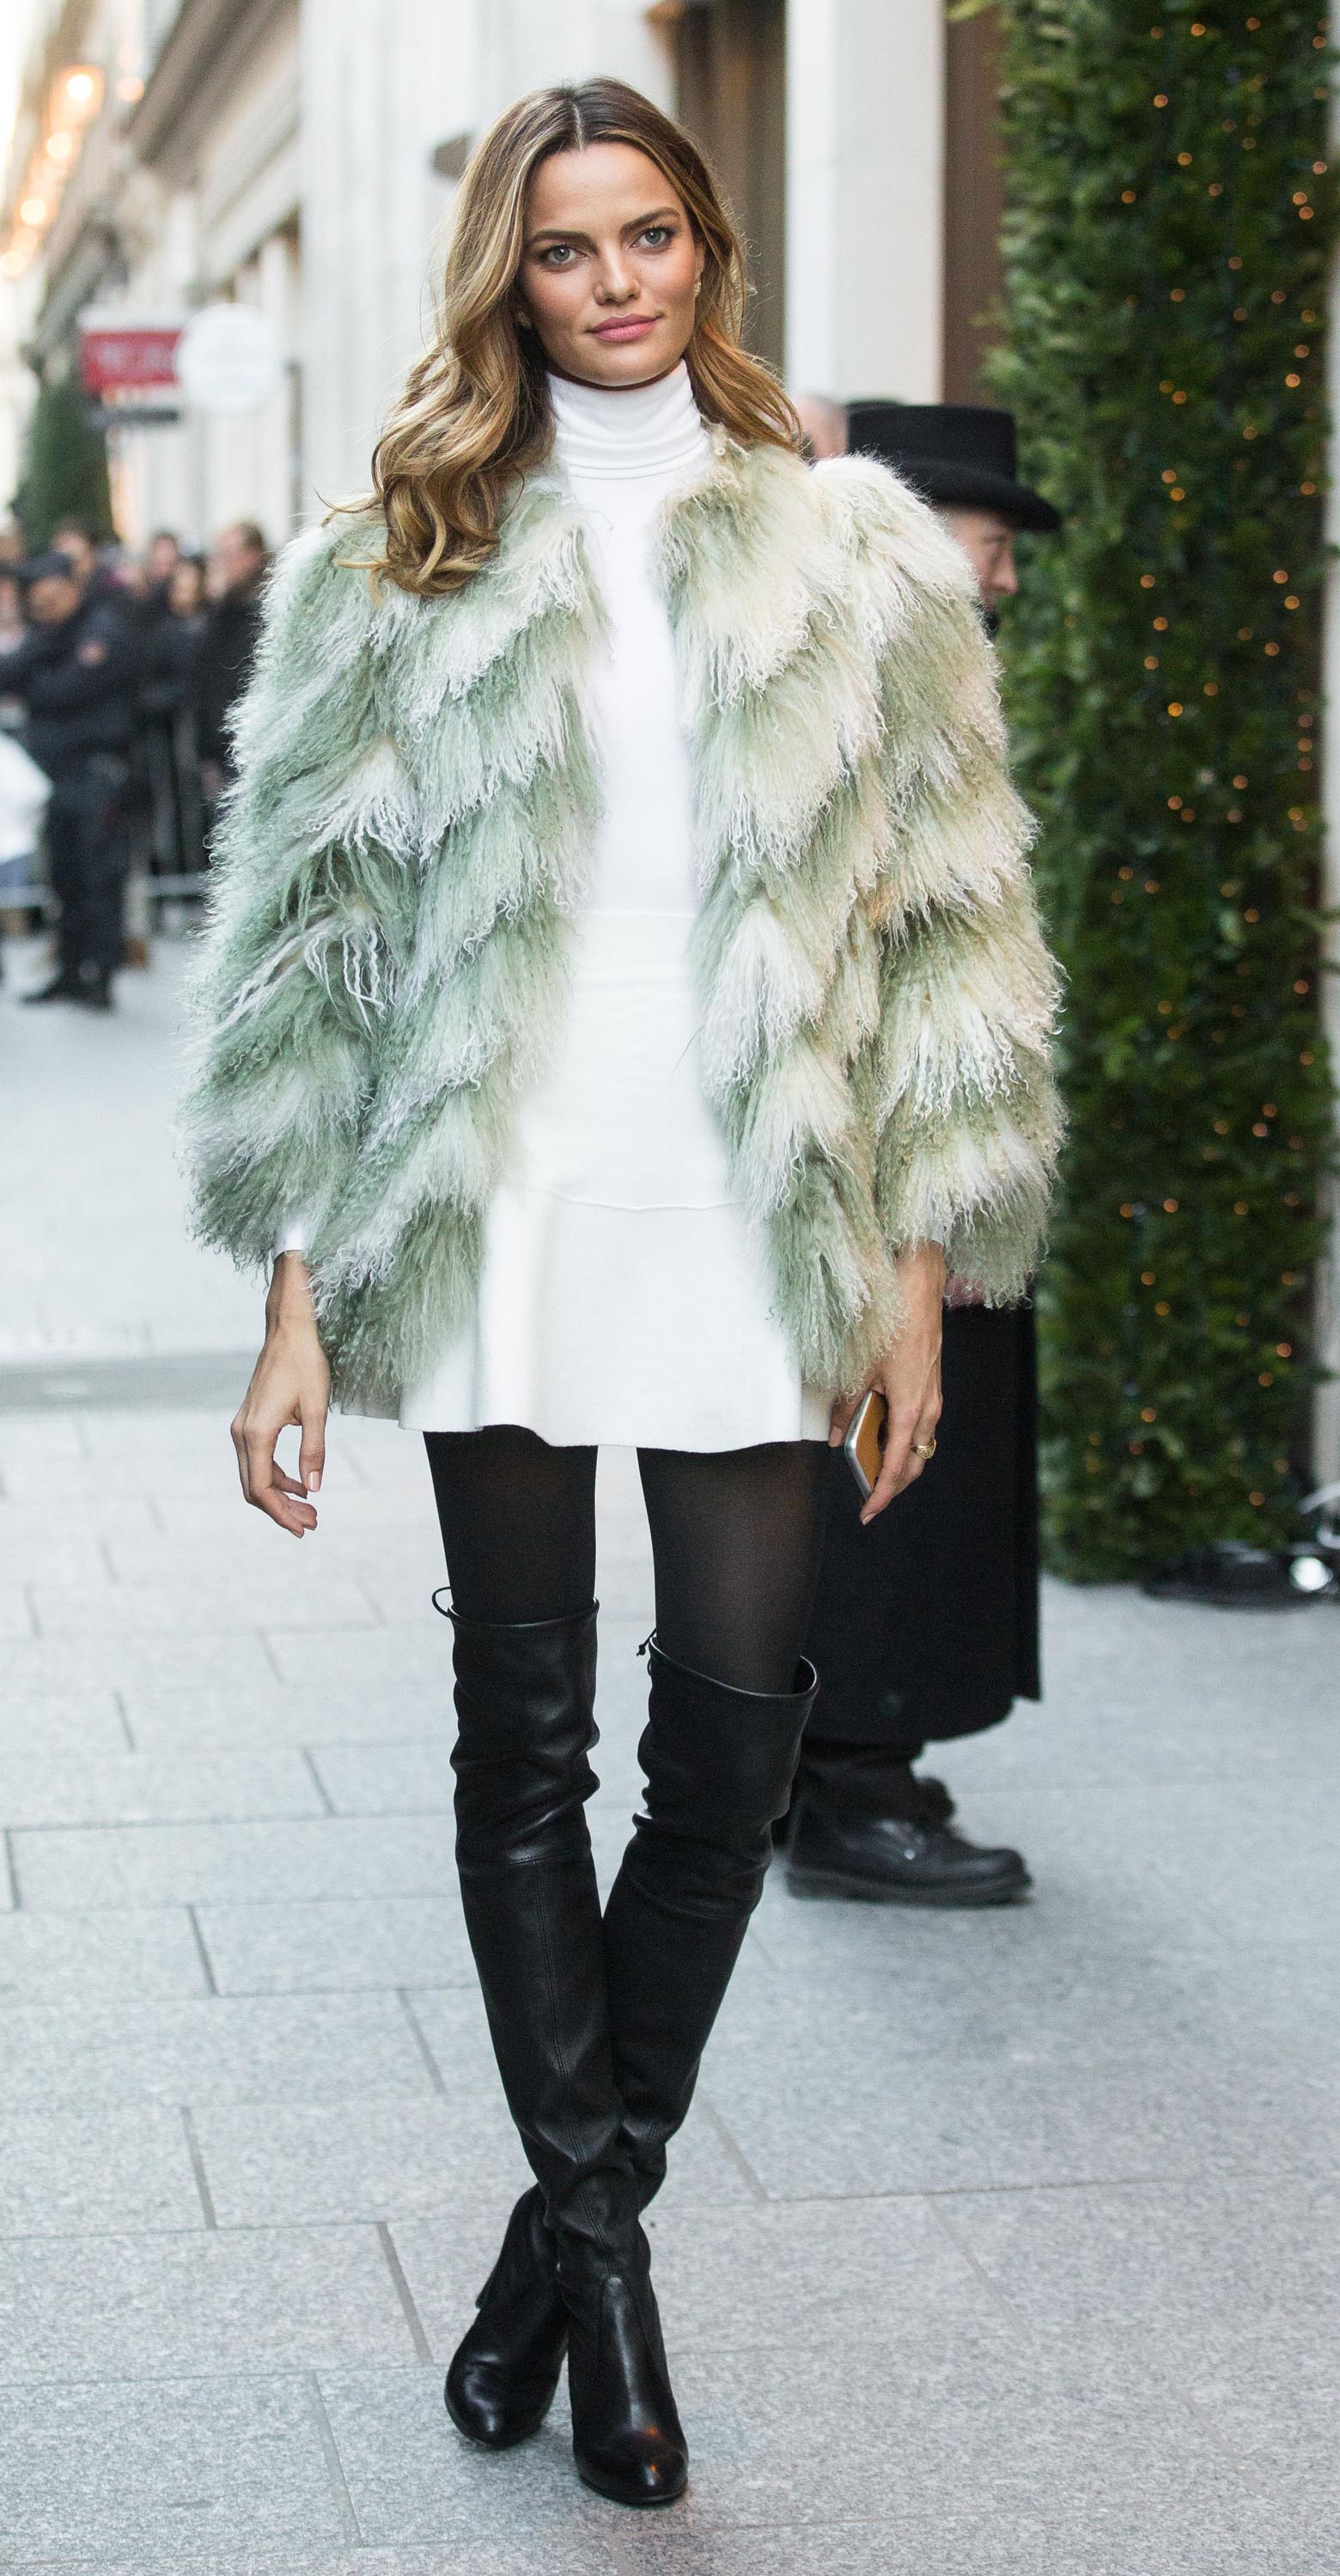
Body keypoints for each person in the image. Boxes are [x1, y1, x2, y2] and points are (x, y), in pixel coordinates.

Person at [184, 82, 1061, 2508]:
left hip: (746, 1196)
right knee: (524, 1741)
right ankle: (620, 2279)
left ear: (710, 247)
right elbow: (310, 955)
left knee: (741, 1737)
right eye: (566, 249)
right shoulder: (399, 564)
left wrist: (915, 1274)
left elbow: (948, 938)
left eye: (651, 232)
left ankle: (550, 2251)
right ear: (507, 276)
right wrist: (288, 1293)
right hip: (492, 1201)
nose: (616, 282)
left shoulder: (851, 550)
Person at [786, 400, 1063, 1907]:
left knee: (889, 1471)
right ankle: (851, 1785)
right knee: (892, 1476)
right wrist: (926, 1211)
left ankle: (818, 1765)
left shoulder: (899, 675)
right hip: (895, 1172)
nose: (1004, 570)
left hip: (919, 1162)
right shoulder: (871, 685)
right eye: (988, 538)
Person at [0, 549, 137, 1011]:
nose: (44, 609)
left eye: (50, 598)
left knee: (99, 874)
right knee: (65, 875)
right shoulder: (48, 635)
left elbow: (68, 688)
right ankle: (71, 969)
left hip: (97, 770)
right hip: (55, 775)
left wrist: (40, 680)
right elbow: (9, 675)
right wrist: (42, 655)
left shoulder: (102, 627)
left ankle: (100, 972)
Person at [141, 555, 207, 889]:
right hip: (172, 737)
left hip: (206, 733)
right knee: (177, 810)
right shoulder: (162, 632)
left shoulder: (212, 624)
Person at [193, 521, 266, 796]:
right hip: (224, 743)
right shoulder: (225, 606)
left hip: (251, 744)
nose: (220, 564)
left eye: (227, 555)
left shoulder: (261, 607)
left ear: (251, 557)